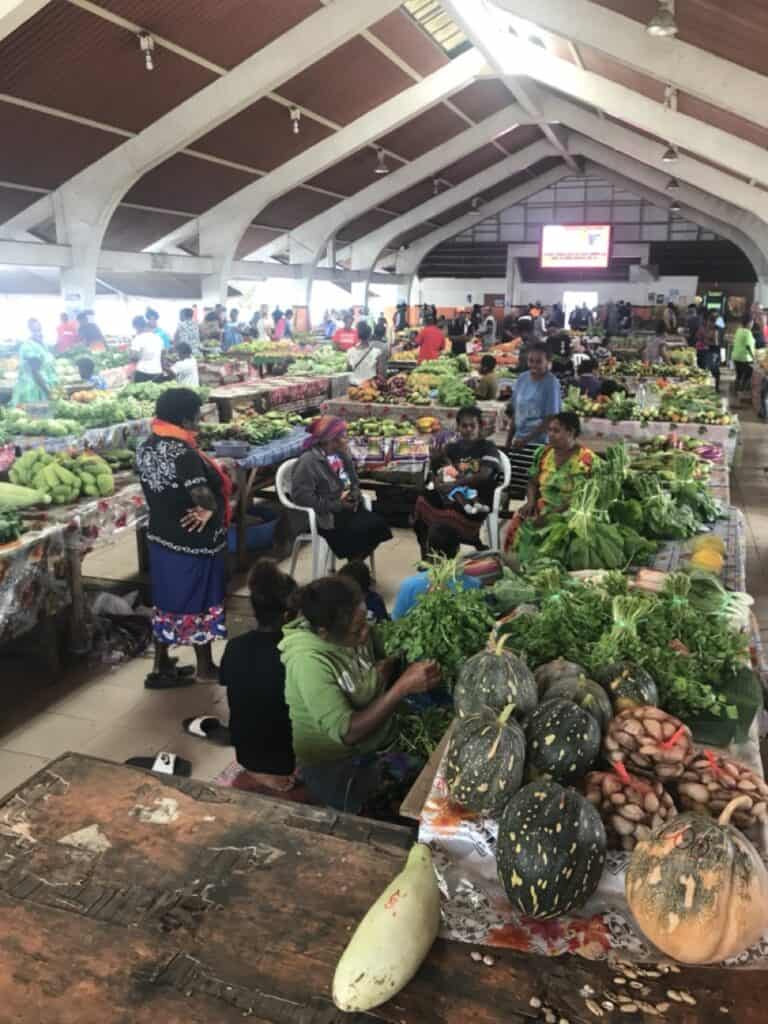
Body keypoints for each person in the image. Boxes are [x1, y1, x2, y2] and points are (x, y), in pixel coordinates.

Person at [279, 574, 441, 813]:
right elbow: (348, 732)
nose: (367, 632)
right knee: (416, 800)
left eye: (367, 621)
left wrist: (425, 612)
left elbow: (394, 643)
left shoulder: (354, 628)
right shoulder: (308, 662)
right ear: (324, 633)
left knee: (440, 763)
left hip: (379, 738)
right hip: (337, 763)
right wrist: (401, 688)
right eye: (358, 630)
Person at [135, 388, 231, 688]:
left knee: (166, 599)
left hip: (162, 537)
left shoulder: (146, 445)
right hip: (194, 542)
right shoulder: (183, 453)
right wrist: (209, 507)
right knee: (198, 600)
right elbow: (203, 497)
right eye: (197, 413)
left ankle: (161, 664)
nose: (200, 418)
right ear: (185, 417)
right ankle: (205, 666)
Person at [216, 560, 301, 795]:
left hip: (245, 749)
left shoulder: (235, 646)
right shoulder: (293, 653)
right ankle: (270, 773)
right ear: (288, 615)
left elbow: (228, 683)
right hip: (282, 755)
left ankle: (256, 770)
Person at [291, 416, 392, 562]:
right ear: (331, 440)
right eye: (344, 436)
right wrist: (337, 505)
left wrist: (355, 494)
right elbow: (301, 497)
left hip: (348, 508)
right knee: (357, 534)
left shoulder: (342, 455)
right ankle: (354, 569)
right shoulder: (309, 461)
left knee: (379, 526)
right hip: (327, 516)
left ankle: (353, 569)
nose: (347, 439)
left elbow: (354, 480)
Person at [413, 406, 502, 554]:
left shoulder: (488, 447)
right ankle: (426, 552)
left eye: (472, 425)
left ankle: (452, 550)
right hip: (450, 493)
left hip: (477, 498)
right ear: (458, 427)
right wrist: (438, 483)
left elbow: (484, 475)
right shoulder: (452, 447)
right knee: (421, 499)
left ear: (480, 426)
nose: (468, 429)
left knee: (449, 517)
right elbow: (438, 469)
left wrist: (455, 484)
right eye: (464, 426)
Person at [505, 412, 595, 558]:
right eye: (549, 430)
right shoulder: (544, 453)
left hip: (570, 512)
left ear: (571, 432)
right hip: (543, 506)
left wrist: (551, 515)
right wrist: (531, 502)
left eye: (556, 431)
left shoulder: (585, 459)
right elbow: (532, 481)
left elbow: (580, 496)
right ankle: (516, 565)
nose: (550, 435)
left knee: (553, 535)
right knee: (519, 519)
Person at [505, 343, 561, 497]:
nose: (534, 365)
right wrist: (509, 440)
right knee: (515, 485)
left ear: (548, 362)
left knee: (532, 486)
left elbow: (551, 418)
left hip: (538, 444)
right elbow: (516, 411)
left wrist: (527, 439)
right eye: (531, 360)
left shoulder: (551, 384)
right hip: (518, 441)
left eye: (538, 361)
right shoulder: (522, 378)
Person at [392, 524, 480, 621]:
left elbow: (397, 620)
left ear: (427, 547)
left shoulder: (409, 585)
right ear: (458, 549)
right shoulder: (474, 585)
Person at [11, 319, 56, 407]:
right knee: (33, 417)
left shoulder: (42, 345)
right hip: (33, 390)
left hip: (43, 386)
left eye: (39, 330)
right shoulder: (28, 347)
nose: (38, 333)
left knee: (43, 419)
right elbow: (35, 372)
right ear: (28, 331)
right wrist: (48, 392)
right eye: (34, 331)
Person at [131, 315, 166, 383]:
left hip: (143, 373)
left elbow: (134, 357)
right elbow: (163, 355)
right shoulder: (158, 338)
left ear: (138, 326)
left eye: (135, 328)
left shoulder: (138, 338)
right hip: (157, 372)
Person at [346, 321, 381, 385]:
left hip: (354, 386)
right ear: (370, 335)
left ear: (358, 335)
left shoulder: (350, 351)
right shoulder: (376, 352)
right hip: (369, 386)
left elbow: (348, 370)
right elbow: (378, 372)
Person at [732, 313, 756, 392]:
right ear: (749, 323)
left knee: (739, 376)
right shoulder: (748, 333)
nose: (752, 324)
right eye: (752, 322)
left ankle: (736, 391)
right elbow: (748, 347)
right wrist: (754, 358)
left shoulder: (738, 330)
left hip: (736, 357)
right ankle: (743, 392)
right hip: (745, 358)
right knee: (747, 376)